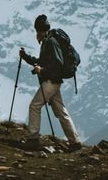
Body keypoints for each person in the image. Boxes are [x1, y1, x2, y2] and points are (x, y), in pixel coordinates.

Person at [19, 14, 82, 150]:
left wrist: (41, 71)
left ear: (41, 31)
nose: (36, 35)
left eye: (37, 31)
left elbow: (57, 65)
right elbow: (42, 61)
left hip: (51, 82)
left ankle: (33, 138)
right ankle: (75, 142)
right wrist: (26, 57)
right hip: (54, 82)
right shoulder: (48, 42)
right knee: (61, 112)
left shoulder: (50, 42)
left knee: (34, 106)